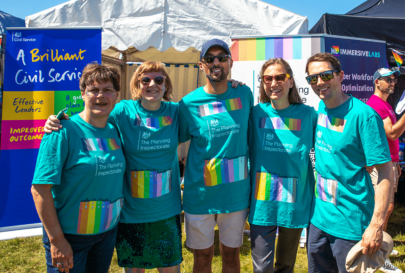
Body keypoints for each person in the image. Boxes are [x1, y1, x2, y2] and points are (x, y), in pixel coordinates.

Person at [31, 63, 126, 273]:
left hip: (106, 233)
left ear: (116, 95)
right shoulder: (62, 131)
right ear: (82, 93)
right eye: (93, 90)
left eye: (108, 90)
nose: (101, 96)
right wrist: (56, 240)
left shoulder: (115, 130)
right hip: (70, 238)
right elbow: (40, 190)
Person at [305, 53, 394, 273]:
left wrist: (376, 225)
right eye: (312, 78)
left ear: (340, 75)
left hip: (351, 224)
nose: (319, 83)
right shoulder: (320, 109)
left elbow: (385, 173)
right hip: (319, 220)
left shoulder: (364, 116)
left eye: (325, 75)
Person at [178, 39, 253, 273]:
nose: (216, 62)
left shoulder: (244, 93)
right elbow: (177, 144)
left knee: (231, 256)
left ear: (230, 62)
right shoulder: (188, 103)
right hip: (200, 195)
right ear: (202, 65)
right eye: (210, 59)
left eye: (222, 57)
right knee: (202, 258)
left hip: (235, 194)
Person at [248, 58, 317, 273]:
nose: (273, 83)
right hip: (262, 202)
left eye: (280, 77)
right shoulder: (255, 114)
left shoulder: (308, 115)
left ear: (290, 82)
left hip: (294, 203)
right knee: (262, 268)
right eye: (268, 78)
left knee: (286, 266)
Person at [367, 67, 403, 273]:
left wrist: (396, 161)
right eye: (387, 79)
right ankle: (378, 256)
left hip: (391, 162)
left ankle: (382, 246)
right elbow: (391, 133)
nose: (392, 82)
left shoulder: (385, 104)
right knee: (382, 209)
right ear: (376, 83)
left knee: (387, 209)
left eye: (393, 79)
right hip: (382, 164)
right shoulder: (376, 105)